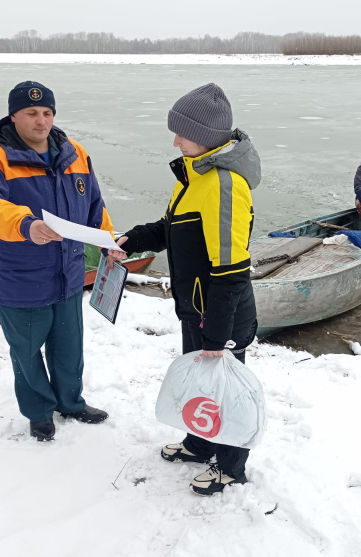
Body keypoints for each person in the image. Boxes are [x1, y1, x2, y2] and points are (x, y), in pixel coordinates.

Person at [112, 83, 261, 496]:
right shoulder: (195, 175)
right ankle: (199, 442)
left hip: (220, 313)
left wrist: (217, 334)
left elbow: (232, 270)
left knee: (225, 390)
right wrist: (134, 238)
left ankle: (231, 466)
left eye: (183, 134)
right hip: (196, 307)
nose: (175, 141)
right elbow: (172, 229)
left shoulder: (225, 184)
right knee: (200, 384)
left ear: (209, 137)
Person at [0, 81, 125, 442]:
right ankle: (38, 412)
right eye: (32, 113)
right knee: (26, 349)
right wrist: (26, 225)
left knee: (69, 345)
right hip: (22, 276)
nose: (41, 121)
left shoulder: (75, 154)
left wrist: (107, 242)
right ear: (14, 116)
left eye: (47, 113)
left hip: (67, 273)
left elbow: (94, 205)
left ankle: (71, 402)